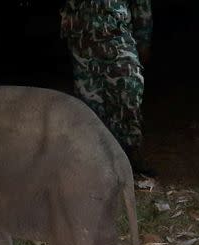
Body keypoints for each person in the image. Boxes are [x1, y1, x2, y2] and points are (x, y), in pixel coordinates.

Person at [60, 0, 156, 176]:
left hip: (117, 37)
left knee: (129, 92)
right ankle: (96, 161)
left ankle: (130, 155)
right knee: (89, 105)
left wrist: (143, 39)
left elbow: (141, 5)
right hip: (82, 42)